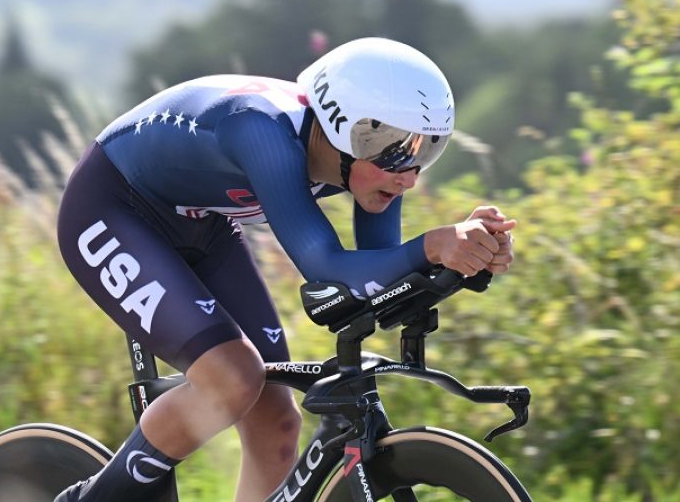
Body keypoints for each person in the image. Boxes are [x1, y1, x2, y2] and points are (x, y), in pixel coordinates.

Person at [54, 37, 516, 502]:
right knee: (232, 378)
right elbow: (328, 271)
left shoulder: (370, 167)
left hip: (202, 224)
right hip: (111, 208)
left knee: (276, 423)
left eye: (425, 151)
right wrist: (434, 246)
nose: (409, 176)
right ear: (344, 129)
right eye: (397, 150)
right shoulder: (262, 132)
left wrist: (465, 261)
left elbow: (379, 285)